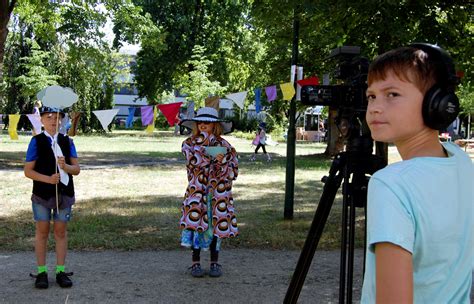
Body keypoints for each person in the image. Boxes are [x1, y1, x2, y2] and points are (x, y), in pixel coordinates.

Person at [361, 44, 473, 303]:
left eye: (392, 94)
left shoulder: (390, 184)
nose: (376, 107)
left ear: (438, 104)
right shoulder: (460, 161)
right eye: (371, 96)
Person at [24, 106, 80, 289]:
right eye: (49, 117)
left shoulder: (67, 141)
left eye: (57, 118)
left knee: (60, 232)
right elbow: (28, 171)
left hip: (64, 194)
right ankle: (41, 272)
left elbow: (76, 169)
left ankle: (60, 271)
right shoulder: (36, 141)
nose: (54, 121)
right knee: (42, 232)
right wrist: (48, 179)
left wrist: (65, 167)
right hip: (41, 195)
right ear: (41, 120)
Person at [179, 107, 239, 278]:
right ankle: (195, 263)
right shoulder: (188, 144)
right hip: (197, 192)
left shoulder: (226, 146)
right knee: (196, 226)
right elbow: (193, 163)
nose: (203, 125)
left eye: (208, 122)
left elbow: (233, 173)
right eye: (200, 122)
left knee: (215, 228)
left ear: (215, 125)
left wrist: (221, 162)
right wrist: (208, 152)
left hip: (218, 195)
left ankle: (214, 263)